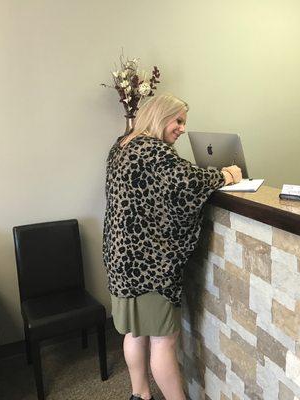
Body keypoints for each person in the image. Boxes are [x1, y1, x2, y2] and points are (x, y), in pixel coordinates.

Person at [103, 94, 241, 400]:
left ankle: (140, 394)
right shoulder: (154, 152)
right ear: (160, 116)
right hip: (148, 265)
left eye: (183, 123)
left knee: (134, 333)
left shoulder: (122, 145)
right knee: (164, 341)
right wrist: (225, 174)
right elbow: (188, 183)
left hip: (121, 260)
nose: (181, 129)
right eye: (177, 121)